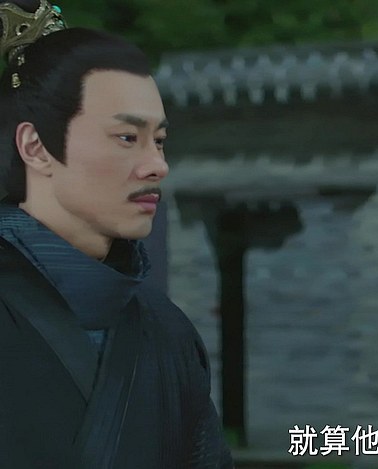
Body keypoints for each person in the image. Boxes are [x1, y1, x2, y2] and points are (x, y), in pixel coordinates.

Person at [0, 1, 233, 467]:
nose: (157, 166)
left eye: (159, 141)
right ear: (36, 146)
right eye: (128, 138)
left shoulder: (167, 331)